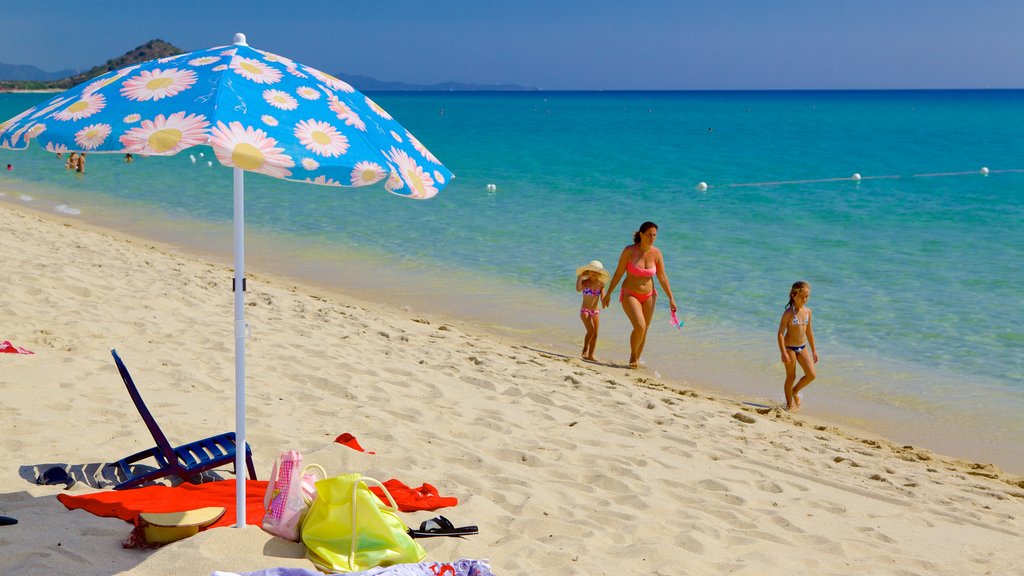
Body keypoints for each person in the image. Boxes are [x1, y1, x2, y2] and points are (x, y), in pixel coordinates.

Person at [602, 221, 677, 368]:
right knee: (640, 326)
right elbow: (618, 273)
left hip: (649, 295)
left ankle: (636, 360)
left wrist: (671, 298)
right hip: (630, 293)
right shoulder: (629, 251)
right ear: (641, 234)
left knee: (645, 329)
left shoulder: (656, 253)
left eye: (654, 235)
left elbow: (662, 277)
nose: (652, 238)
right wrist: (608, 293)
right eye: (649, 235)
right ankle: (633, 356)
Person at [777, 280, 818, 410]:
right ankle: (789, 405)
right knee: (791, 376)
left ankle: (794, 391)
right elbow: (780, 333)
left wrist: (814, 351)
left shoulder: (808, 312)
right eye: (802, 296)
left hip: (802, 347)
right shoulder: (788, 313)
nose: (805, 299)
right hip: (789, 348)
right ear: (794, 295)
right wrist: (783, 352)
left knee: (811, 375)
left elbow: (809, 332)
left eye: (807, 296)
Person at [575, 260, 609, 362]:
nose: (594, 273)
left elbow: (603, 296)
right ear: (588, 272)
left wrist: (605, 300)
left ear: (600, 273)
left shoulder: (601, 284)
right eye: (592, 271)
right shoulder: (585, 283)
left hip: (595, 312)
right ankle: (585, 349)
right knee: (591, 330)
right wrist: (580, 278)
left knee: (596, 333)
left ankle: (591, 355)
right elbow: (578, 289)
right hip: (585, 310)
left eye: (596, 271)